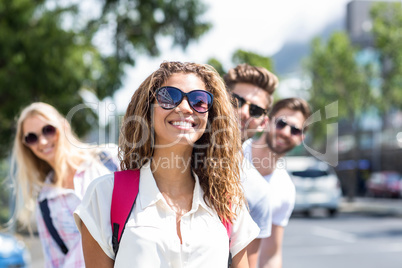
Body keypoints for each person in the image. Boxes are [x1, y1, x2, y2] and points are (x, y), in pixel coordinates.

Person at [74, 61, 260, 268]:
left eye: (199, 101)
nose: (184, 108)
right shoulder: (105, 194)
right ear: (148, 111)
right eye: (169, 97)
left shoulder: (228, 202)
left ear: (210, 117)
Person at [10, 102, 118, 267]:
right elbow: (55, 262)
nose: (43, 142)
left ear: (64, 126)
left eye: (48, 130)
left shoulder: (108, 159)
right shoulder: (45, 201)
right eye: (32, 137)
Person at [243, 97, 312, 268]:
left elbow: (270, 255)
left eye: (295, 130)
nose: (286, 132)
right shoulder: (234, 153)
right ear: (267, 122)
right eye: (281, 123)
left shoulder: (285, 189)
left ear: (301, 138)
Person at [224, 63, 278, 268]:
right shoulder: (175, 157)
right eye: (236, 100)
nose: (244, 112)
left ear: (263, 123)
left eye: (255, 109)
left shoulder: (257, 192)